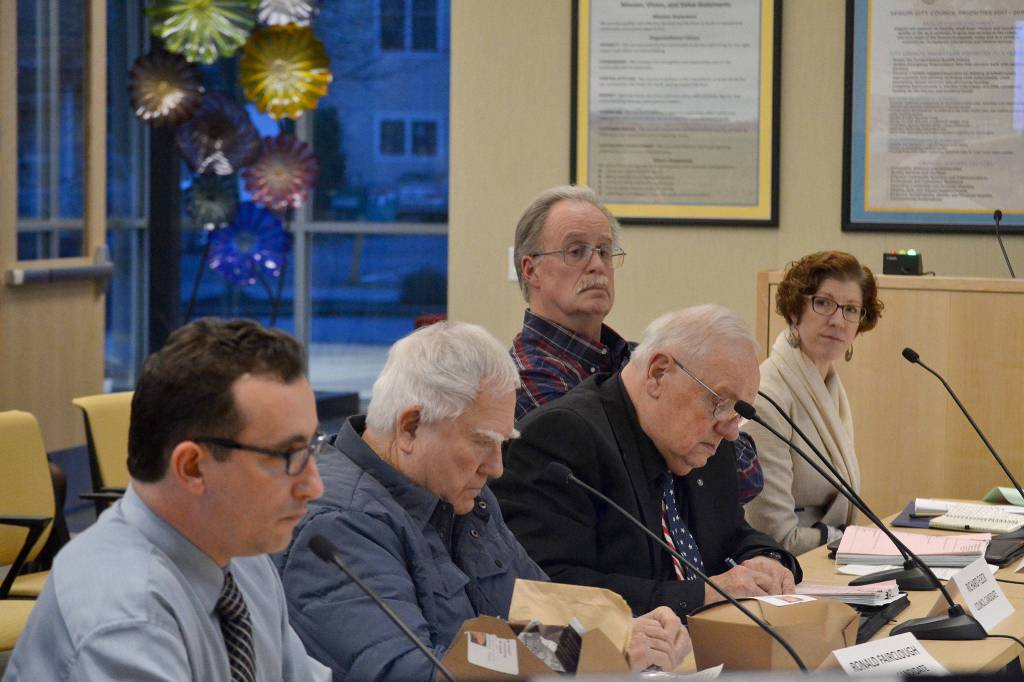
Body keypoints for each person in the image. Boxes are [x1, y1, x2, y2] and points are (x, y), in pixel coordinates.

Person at [275, 322, 691, 680]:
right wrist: (591, 661)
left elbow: (537, 619)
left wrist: (621, 635)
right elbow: (412, 671)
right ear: (410, 426)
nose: (496, 468)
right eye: (482, 442)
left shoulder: (462, 495)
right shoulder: (339, 525)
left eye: (503, 443)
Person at [4, 319, 330, 681]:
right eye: (286, 455)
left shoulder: (241, 555)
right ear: (192, 467)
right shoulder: (125, 616)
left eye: (312, 448)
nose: (313, 487)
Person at [494, 305, 801, 619]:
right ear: (658, 373)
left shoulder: (708, 440)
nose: (732, 431)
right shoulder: (563, 437)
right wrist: (706, 593)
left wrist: (765, 558)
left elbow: (731, 532)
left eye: (738, 414)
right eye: (720, 403)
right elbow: (551, 587)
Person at [510, 184, 763, 504]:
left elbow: (747, 475)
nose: (597, 265)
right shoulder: (528, 376)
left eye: (604, 251)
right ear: (531, 270)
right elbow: (617, 490)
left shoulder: (637, 357)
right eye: (576, 251)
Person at [743, 251, 883, 555]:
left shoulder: (831, 389)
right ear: (795, 311)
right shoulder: (766, 399)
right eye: (823, 303)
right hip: (785, 569)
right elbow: (775, 538)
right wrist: (851, 539)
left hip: (826, 555)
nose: (837, 320)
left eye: (851, 309)